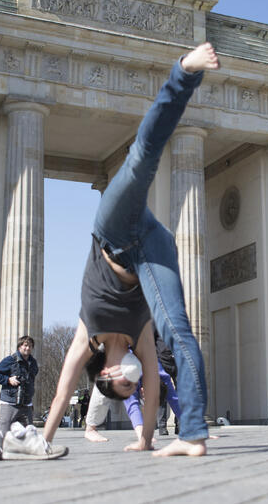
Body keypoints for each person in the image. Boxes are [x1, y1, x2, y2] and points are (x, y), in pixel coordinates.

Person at [42, 42, 222, 458]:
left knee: (142, 159)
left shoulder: (89, 333)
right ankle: (193, 434)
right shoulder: (141, 338)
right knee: (179, 331)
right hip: (151, 249)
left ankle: (184, 73)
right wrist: (145, 440)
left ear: (106, 371)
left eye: (124, 383)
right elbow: (155, 387)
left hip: (115, 230)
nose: (135, 381)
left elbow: (61, 391)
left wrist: (44, 439)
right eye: (132, 387)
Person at [0, 335, 38, 433]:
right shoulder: (10, 360)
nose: (27, 348)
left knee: (29, 434)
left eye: (30, 346)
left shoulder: (33, 363)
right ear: (19, 346)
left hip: (26, 403)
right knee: (3, 433)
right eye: (25, 345)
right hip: (9, 403)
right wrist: (8, 380)